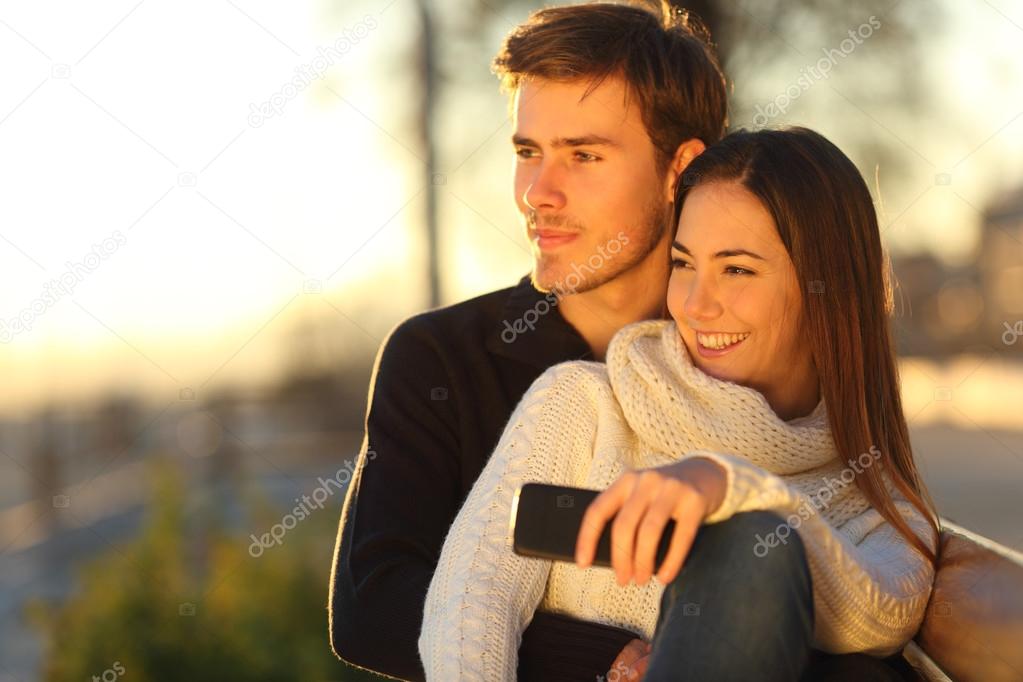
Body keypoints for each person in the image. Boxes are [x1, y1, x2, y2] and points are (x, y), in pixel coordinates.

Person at [418, 127, 941, 681]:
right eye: (684, 263)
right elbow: (469, 607)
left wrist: (731, 488)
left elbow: (879, 617)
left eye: (736, 269)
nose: (695, 305)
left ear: (827, 287)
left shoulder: (875, 500)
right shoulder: (583, 404)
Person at [327, 3, 728, 680]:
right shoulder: (439, 360)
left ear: (679, 170)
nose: (538, 193)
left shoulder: (740, 357)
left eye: (582, 155)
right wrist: (613, 661)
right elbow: (373, 607)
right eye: (527, 153)